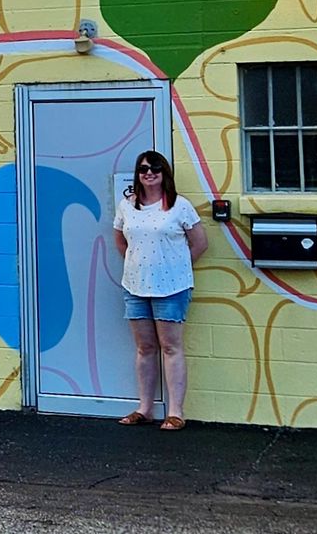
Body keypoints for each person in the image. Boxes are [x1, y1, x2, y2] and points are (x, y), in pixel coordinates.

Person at [112, 149, 208, 430]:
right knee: (144, 348)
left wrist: (175, 266)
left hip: (172, 288)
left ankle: (176, 411)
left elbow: (200, 243)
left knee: (171, 346)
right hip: (135, 286)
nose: (149, 173)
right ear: (137, 175)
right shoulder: (127, 205)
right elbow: (120, 241)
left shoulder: (180, 206)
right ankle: (145, 408)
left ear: (165, 172)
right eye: (143, 169)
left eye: (155, 168)